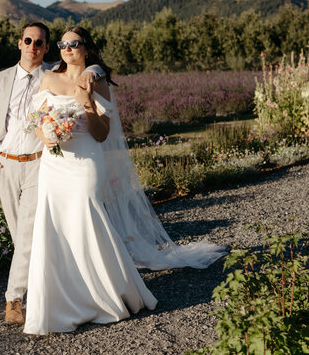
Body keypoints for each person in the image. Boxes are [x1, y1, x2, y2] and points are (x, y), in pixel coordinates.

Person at [23, 26, 226, 335]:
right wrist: (46, 135)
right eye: (62, 43)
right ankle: (60, 303)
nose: (66, 48)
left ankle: (104, 298)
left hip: (86, 162)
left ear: (86, 48)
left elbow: (102, 133)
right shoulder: (49, 78)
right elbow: (34, 120)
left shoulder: (96, 79)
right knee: (55, 225)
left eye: (73, 43)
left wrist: (88, 101)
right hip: (54, 165)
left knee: (87, 218)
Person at [0, 22, 104, 325]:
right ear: (19, 43)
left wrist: (94, 71)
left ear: (47, 48)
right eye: (28, 40)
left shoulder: (53, 74)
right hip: (6, 165)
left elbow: (88, 63)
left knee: (27, 234)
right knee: (19, 233)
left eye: (40, 42)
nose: (33, 46)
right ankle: (41, 286)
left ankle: (13, 300)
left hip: (40, 162)